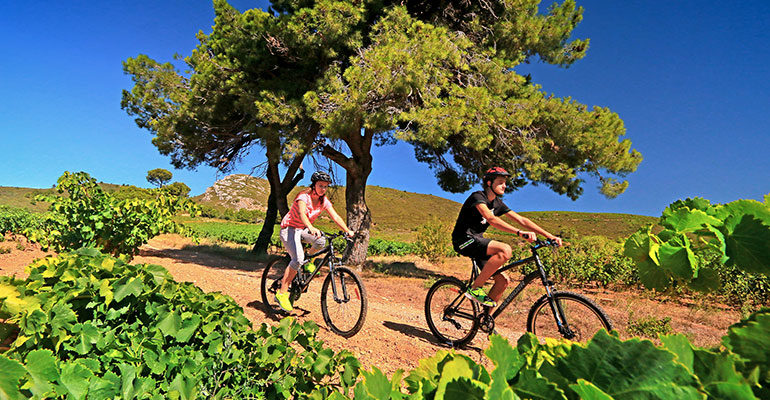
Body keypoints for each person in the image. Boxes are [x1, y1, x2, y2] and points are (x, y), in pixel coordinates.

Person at [452, 167, 563, 307]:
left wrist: (549, 235)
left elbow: (522, 220)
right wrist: (519, 232)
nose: (504, 185)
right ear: (489, 183)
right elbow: (491, 219)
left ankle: (485, 322)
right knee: (505, 249)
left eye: (505, 182)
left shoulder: (497, 203)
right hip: (464, 240)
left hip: (477, 242)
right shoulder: (478, 197)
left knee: (503, 281)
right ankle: (474, 289)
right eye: (500, 182)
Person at [275, 171, 354, 312]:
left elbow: (335, 216)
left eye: (326, 186)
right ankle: (281, 293)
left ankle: (309, 262)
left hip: (302, 229)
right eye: (321, 185)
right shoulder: (303, 196)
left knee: (321, 241)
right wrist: (311, 227)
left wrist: (347, 230)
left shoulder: (324, 201)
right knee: (297, 259)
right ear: (314, 184)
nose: (323, 189)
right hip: (289, 228)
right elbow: (301, 214)